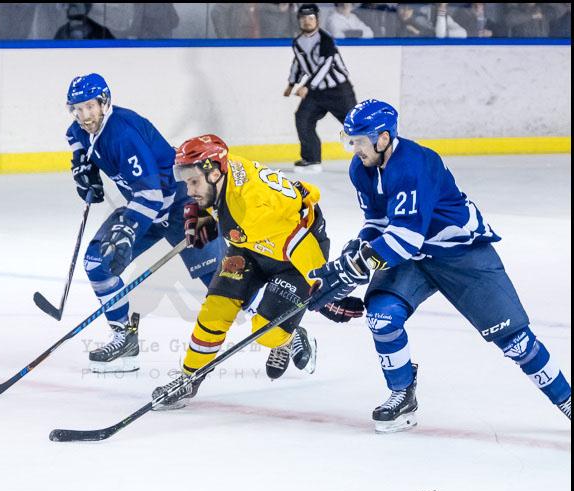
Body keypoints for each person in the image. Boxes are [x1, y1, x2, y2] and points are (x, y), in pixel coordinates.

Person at [306, 99, 572, 432]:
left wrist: (358, 266)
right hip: (412, 259)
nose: (354, 148)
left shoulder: (415, 164)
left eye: (359, 141)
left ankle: (566, 398)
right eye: (350, 140)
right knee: (382, 317)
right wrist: (353, 255)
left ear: (383, 138)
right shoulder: (361, 169)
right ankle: (402, 393)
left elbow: (405, 238)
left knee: (516, 342)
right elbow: (377, 222)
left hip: (461, 255)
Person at [152, 135, 365, 410]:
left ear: (214, 174)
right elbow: (213, 193)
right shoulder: (221, 170)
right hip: (251, 245)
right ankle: (188, 379)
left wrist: (325, 291)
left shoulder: (254, 208)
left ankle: (288, 337)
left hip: (293, 256)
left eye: (194, 183)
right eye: (187, 182)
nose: (189, 189)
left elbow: (300, 243)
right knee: (215, 309)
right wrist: (201, 211)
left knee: (267, 333)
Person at [64, 74, 225, 373]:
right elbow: (78, 147)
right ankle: (124, 338)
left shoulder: (123, 134)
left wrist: (129, 227)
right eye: (78, 108)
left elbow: (152, 194)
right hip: (145, 207)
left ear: (104, 103)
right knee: (98, 262)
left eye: (90, 107)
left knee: (225, 281)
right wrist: (84, 173)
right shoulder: (78, 131)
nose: (84, 116)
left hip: (184, 204)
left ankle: (286, 335)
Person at [285, 4, 357, 175]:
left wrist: (307, 86)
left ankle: (376, 156)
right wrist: (291, 83)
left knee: (355, 124)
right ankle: (311, 159)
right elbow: (299, 63)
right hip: (316, 92)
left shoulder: (326, 40)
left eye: (311, 18)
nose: (307, 21)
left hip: (338, 90)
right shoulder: (298, 42)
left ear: (317, 19)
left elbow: (325, 65)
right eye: (303, 18)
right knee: (303, 118)